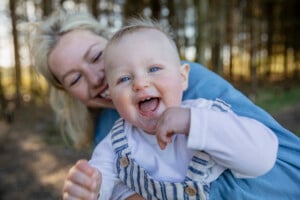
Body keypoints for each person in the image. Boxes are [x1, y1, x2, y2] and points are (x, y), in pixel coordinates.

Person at [30, 11, 300, 200]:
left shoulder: (193, 96)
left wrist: (195, 123)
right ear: (67, 92)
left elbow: (268, 158)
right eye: (75, 78)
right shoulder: (109, 134)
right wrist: (92, 188)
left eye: (97, 56)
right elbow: (110, 180)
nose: (95, 78)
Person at [86, 18, 278, 199]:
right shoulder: (115, 143)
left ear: (183, 77)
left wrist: (193, 123)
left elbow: (262, 158)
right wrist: (89, 189)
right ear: (111, 95)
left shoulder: (206, 113)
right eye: (124, 78)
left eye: (154, 69)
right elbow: (99, 183)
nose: (140, 83)